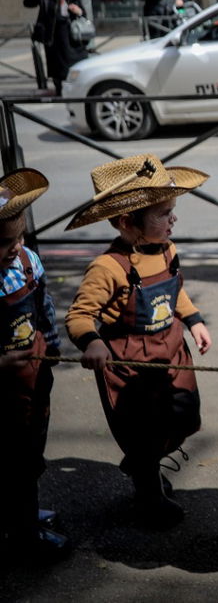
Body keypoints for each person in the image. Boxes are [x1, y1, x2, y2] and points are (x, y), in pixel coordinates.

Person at [64, 155, 213, 529]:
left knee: (184, 417)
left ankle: (142, 462)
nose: (172, 220)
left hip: (172, 354)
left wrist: (194, 320)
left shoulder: (167, 249)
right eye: (163, 214)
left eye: (171, 211)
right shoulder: (108, 267)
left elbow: (176, 292)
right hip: (132, 367)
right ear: (128, 222)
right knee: (144, 434)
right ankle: (150, 495)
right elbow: (79, 316)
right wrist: (92, 342)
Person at [0, 169, 70, 566]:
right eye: (4, 242)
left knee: (31, 450)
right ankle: (24, 534)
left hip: (32, 379)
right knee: (13, 459)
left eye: (20, 237)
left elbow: (44, 309)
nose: (16, 248)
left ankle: (21, 512)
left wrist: (53, 345)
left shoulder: (27, 263)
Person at [23, 0, 87, 94]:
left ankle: (76, 87)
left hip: (70, 34)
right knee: (56, 65)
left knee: (74, 62)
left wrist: (78, 11)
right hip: (52, 34)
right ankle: (59, 89)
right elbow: (28, 3)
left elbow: (83, 13)